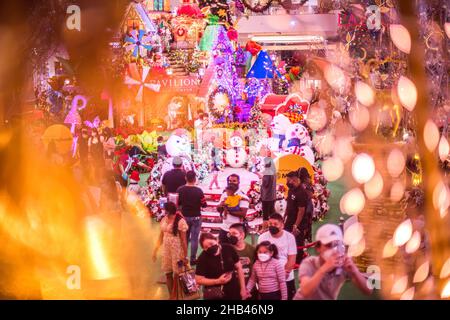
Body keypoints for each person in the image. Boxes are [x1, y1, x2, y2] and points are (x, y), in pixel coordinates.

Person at [294, 224, 372, 300]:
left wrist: (354, 270)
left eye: (336, 244)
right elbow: (305, 292)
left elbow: (368, 290)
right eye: (328, 245)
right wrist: (324, 269)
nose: (333, 249)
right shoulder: (309, 263)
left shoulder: (342, 265)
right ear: (318, 248)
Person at [195, 232, 248, 300]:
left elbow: (239, 267)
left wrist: (243, 289)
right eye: (206, 247)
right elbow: (199, 280)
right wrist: (217, 281)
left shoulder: (228, 248)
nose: (210, 248)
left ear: (216, 240)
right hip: (214, 293)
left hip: (233, 289)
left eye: (211, 244)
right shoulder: (202, 258)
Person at [152, 202, 188, 300]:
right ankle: (171, 296)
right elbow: (161, 236)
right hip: (167, 250)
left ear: (168, 210)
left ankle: (175, 296)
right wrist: (155, 249)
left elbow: (184, 240)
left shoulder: (181, 221)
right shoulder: (164, 219)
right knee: (168, 273)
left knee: (177, 275)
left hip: (177, 250)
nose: (163, 211)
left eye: (164, 210)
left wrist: (185, 255)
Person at [258, 213, 297, 300]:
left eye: (275, 224)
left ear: (282, 225)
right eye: (270, 224)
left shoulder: (289, 237)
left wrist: (284, 274)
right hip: (269, 278)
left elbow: (292, 259)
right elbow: (261, 258)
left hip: (286, 276)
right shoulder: (262, 237)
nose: (272, 226)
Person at [177, 170, 207, 265]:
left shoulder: (180, 190)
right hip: (196, 217)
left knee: (184, 238)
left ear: (185, 178)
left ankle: (183, 257)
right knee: (194, 239)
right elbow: (204, 204)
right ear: (195, 179)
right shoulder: (199, 191)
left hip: (184, 217)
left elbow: (178, 203)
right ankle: (193, 259)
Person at [284, 170, 310, 264]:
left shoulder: (301, 192)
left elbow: (301, 210)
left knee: (298, 241)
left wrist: (296, 225)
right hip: (289, 219)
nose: (287, 182)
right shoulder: (291, 189)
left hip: (298, 222)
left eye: (288, 180)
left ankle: (297, 261)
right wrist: (284, 216)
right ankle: (288, 256)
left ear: (294, 180)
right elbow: (289, 204)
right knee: (286, 237)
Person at [218, 174, 249, 244]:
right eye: (230, 181)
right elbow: (218, 209)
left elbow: (243, 214)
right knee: (222, 251)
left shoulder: (242, 196)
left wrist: (228, 210)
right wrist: (220, 206)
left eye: (234, 181)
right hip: (224, 228)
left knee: (236, 251)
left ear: (238, 182)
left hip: (236, 230)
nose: (231, 182)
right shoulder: (225, 194)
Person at [260, 157, 277, 229]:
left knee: (265, 215)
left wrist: (261, 178)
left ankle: (265, 229)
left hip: (266, 197)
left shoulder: (267, 172)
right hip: (272, 196)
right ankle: (276, 225)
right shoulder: (273, 171)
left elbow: (265, 184)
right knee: (272, 213)